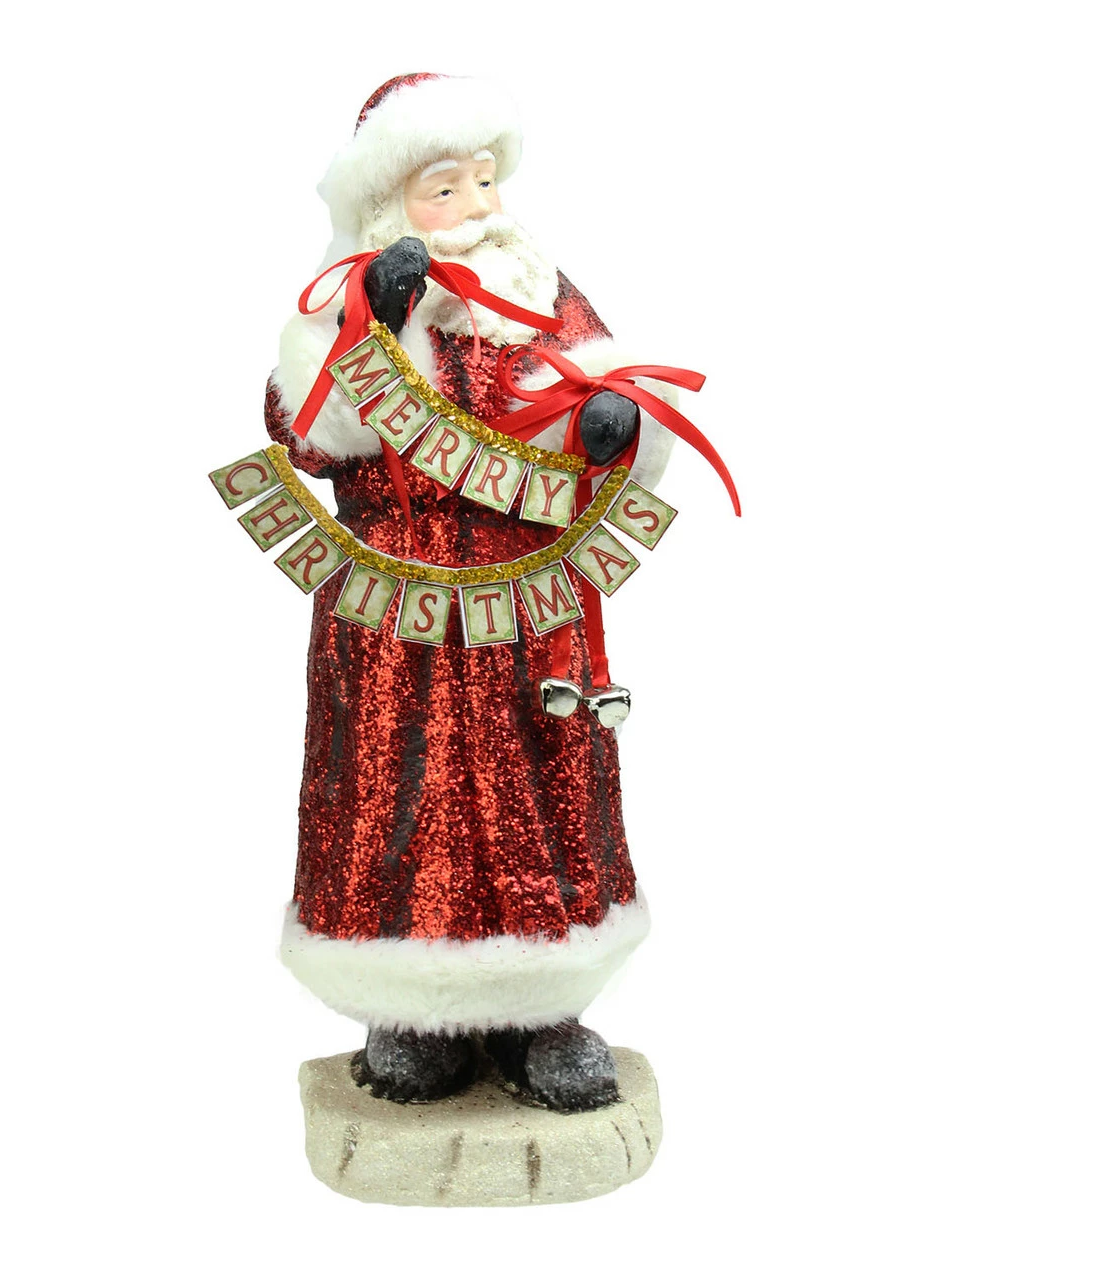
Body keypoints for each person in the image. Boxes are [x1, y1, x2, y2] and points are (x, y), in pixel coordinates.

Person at [265, 74, 678, 1111]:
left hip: (528, 590)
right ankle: (409, 1009)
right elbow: (306, 436)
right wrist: (377, 326)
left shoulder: (542, 292)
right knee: (397, 780)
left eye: (484, 181)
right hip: (393, 594)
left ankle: (544, 1006)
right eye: (444, 188)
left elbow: (600, 382)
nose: (477, 206)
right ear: (388, 201)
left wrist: (611, 425)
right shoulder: (344, 302)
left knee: (543, 773)